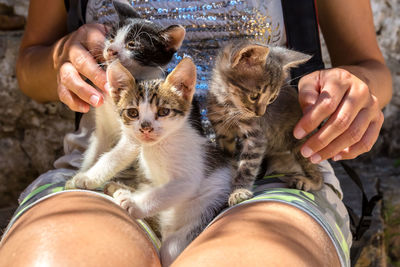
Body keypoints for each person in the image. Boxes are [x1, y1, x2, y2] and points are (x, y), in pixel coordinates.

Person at [0, 0, 392, 266]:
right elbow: (32, 65)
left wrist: (353, 89)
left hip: (268, 175)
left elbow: (367, 64)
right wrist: (63, 60)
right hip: (112, 172)